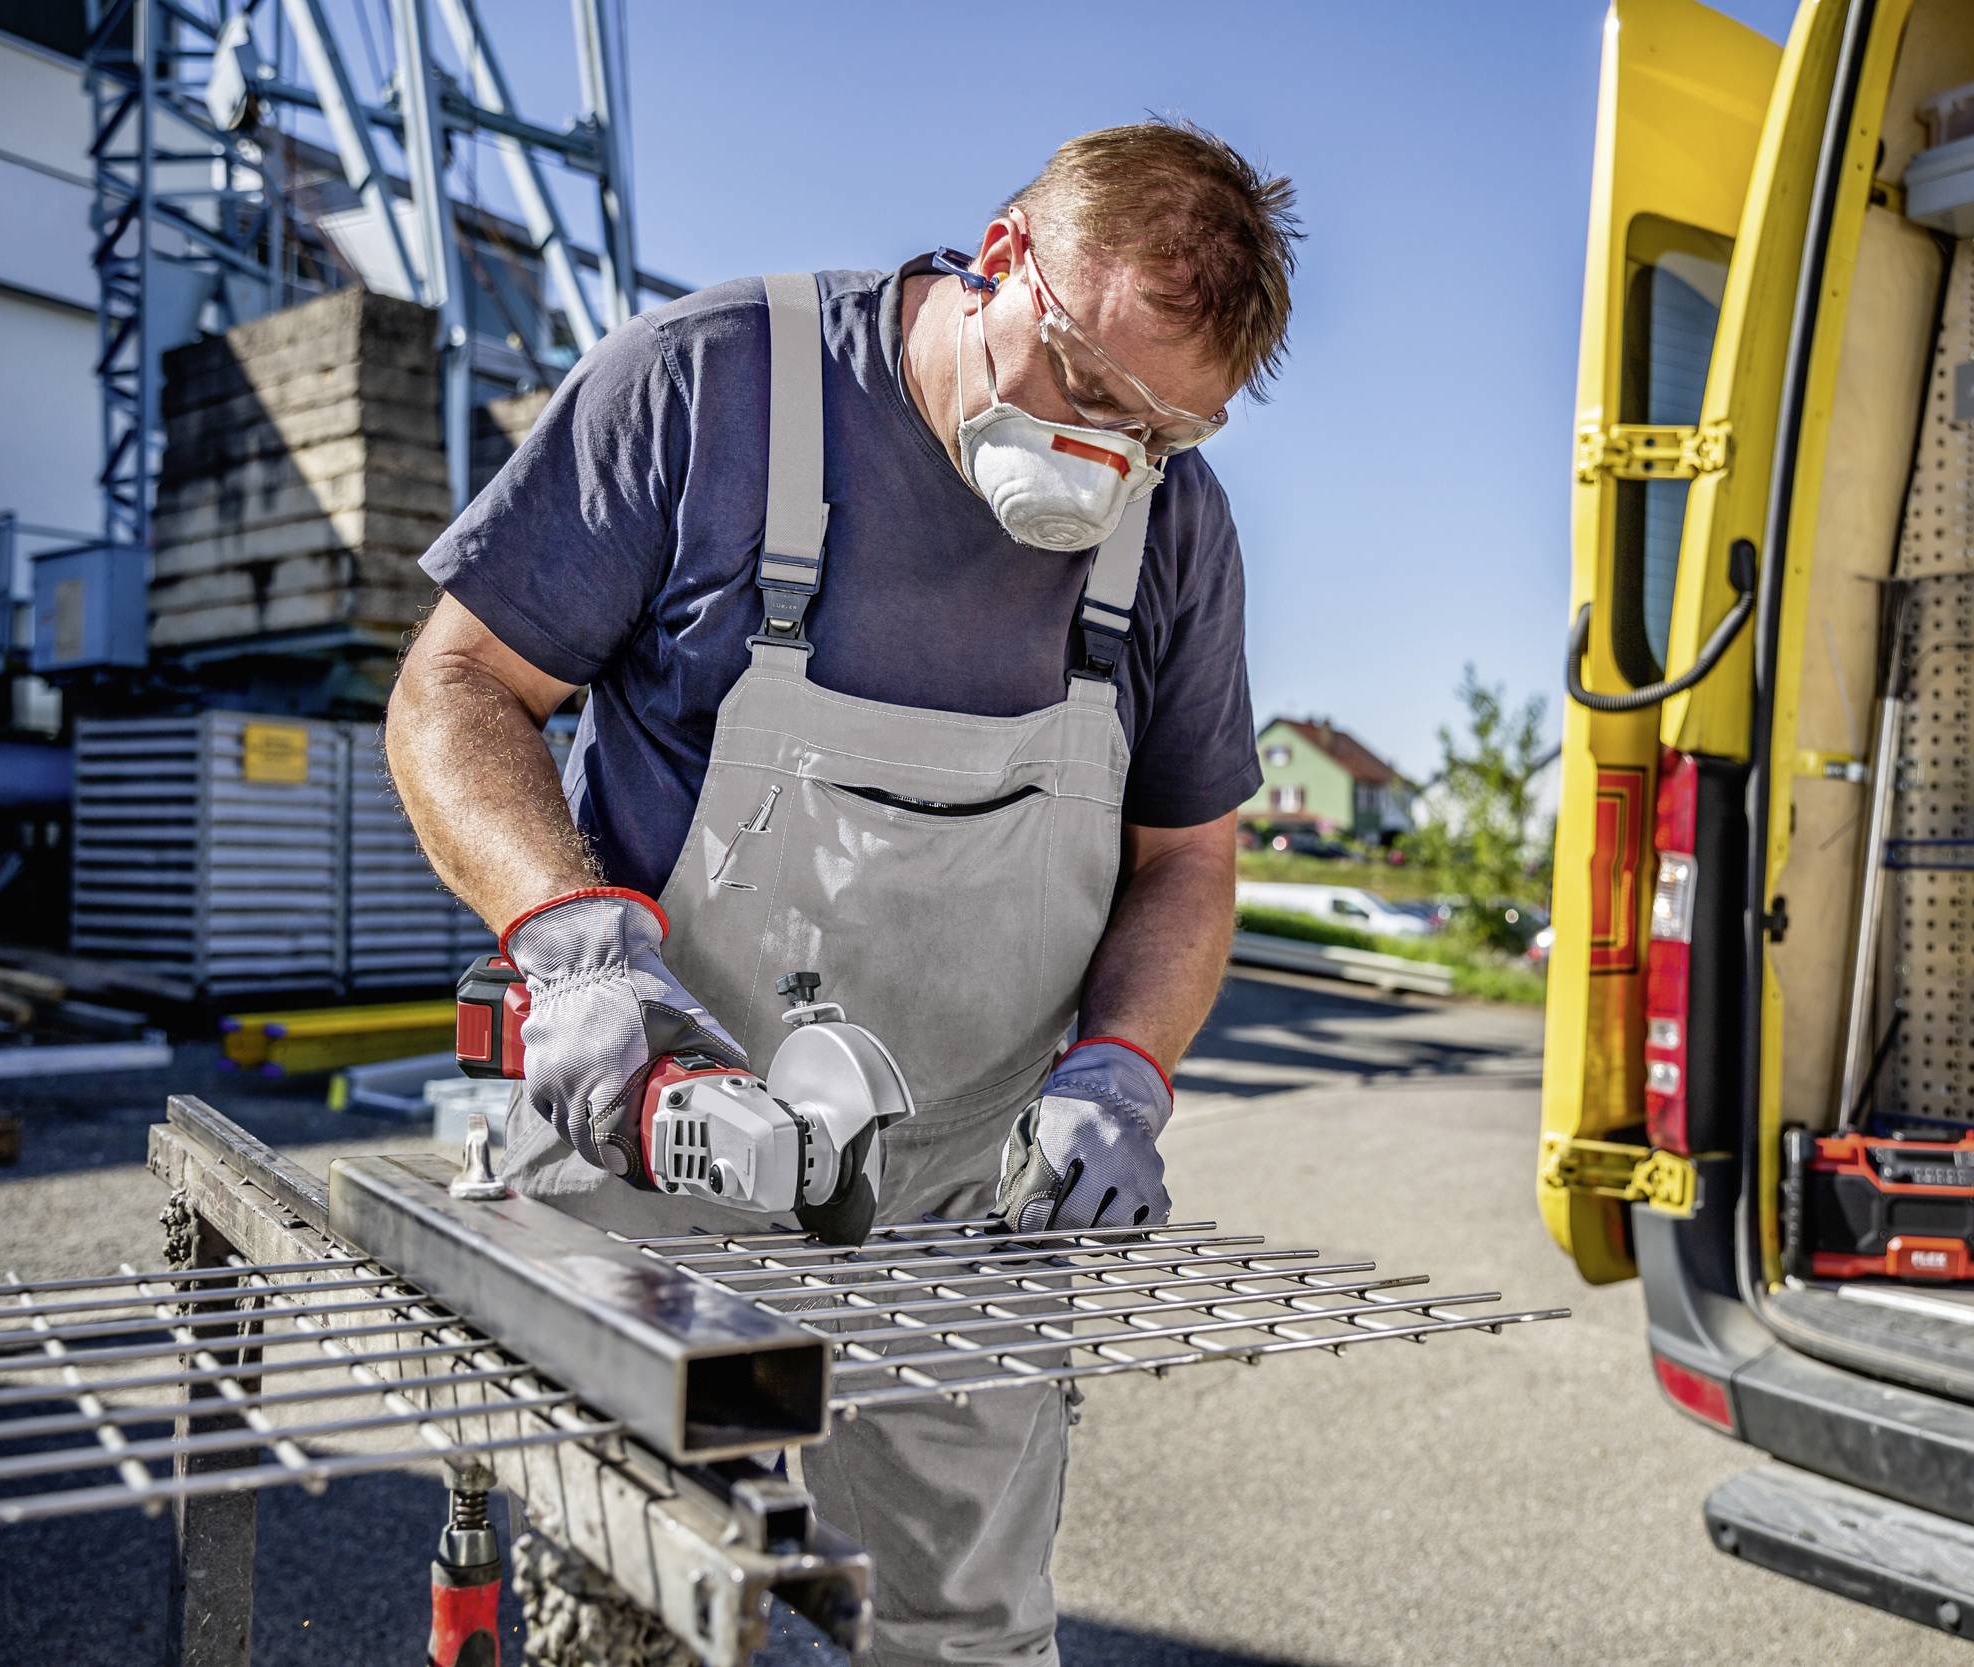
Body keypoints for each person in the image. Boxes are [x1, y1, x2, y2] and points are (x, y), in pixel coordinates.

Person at [386, 118, 1300, 1666]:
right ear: (1000, 256)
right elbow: (458, 689)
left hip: (964, 1201)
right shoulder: (717, 387)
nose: (1111, 461)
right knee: (636, 1616)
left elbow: (1185, 858)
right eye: (1089, 390)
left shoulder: (1174, 532)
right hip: (653, 1148)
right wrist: (574, 948)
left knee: (962, 1633)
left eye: (1165, 434)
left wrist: (1119, 1073)